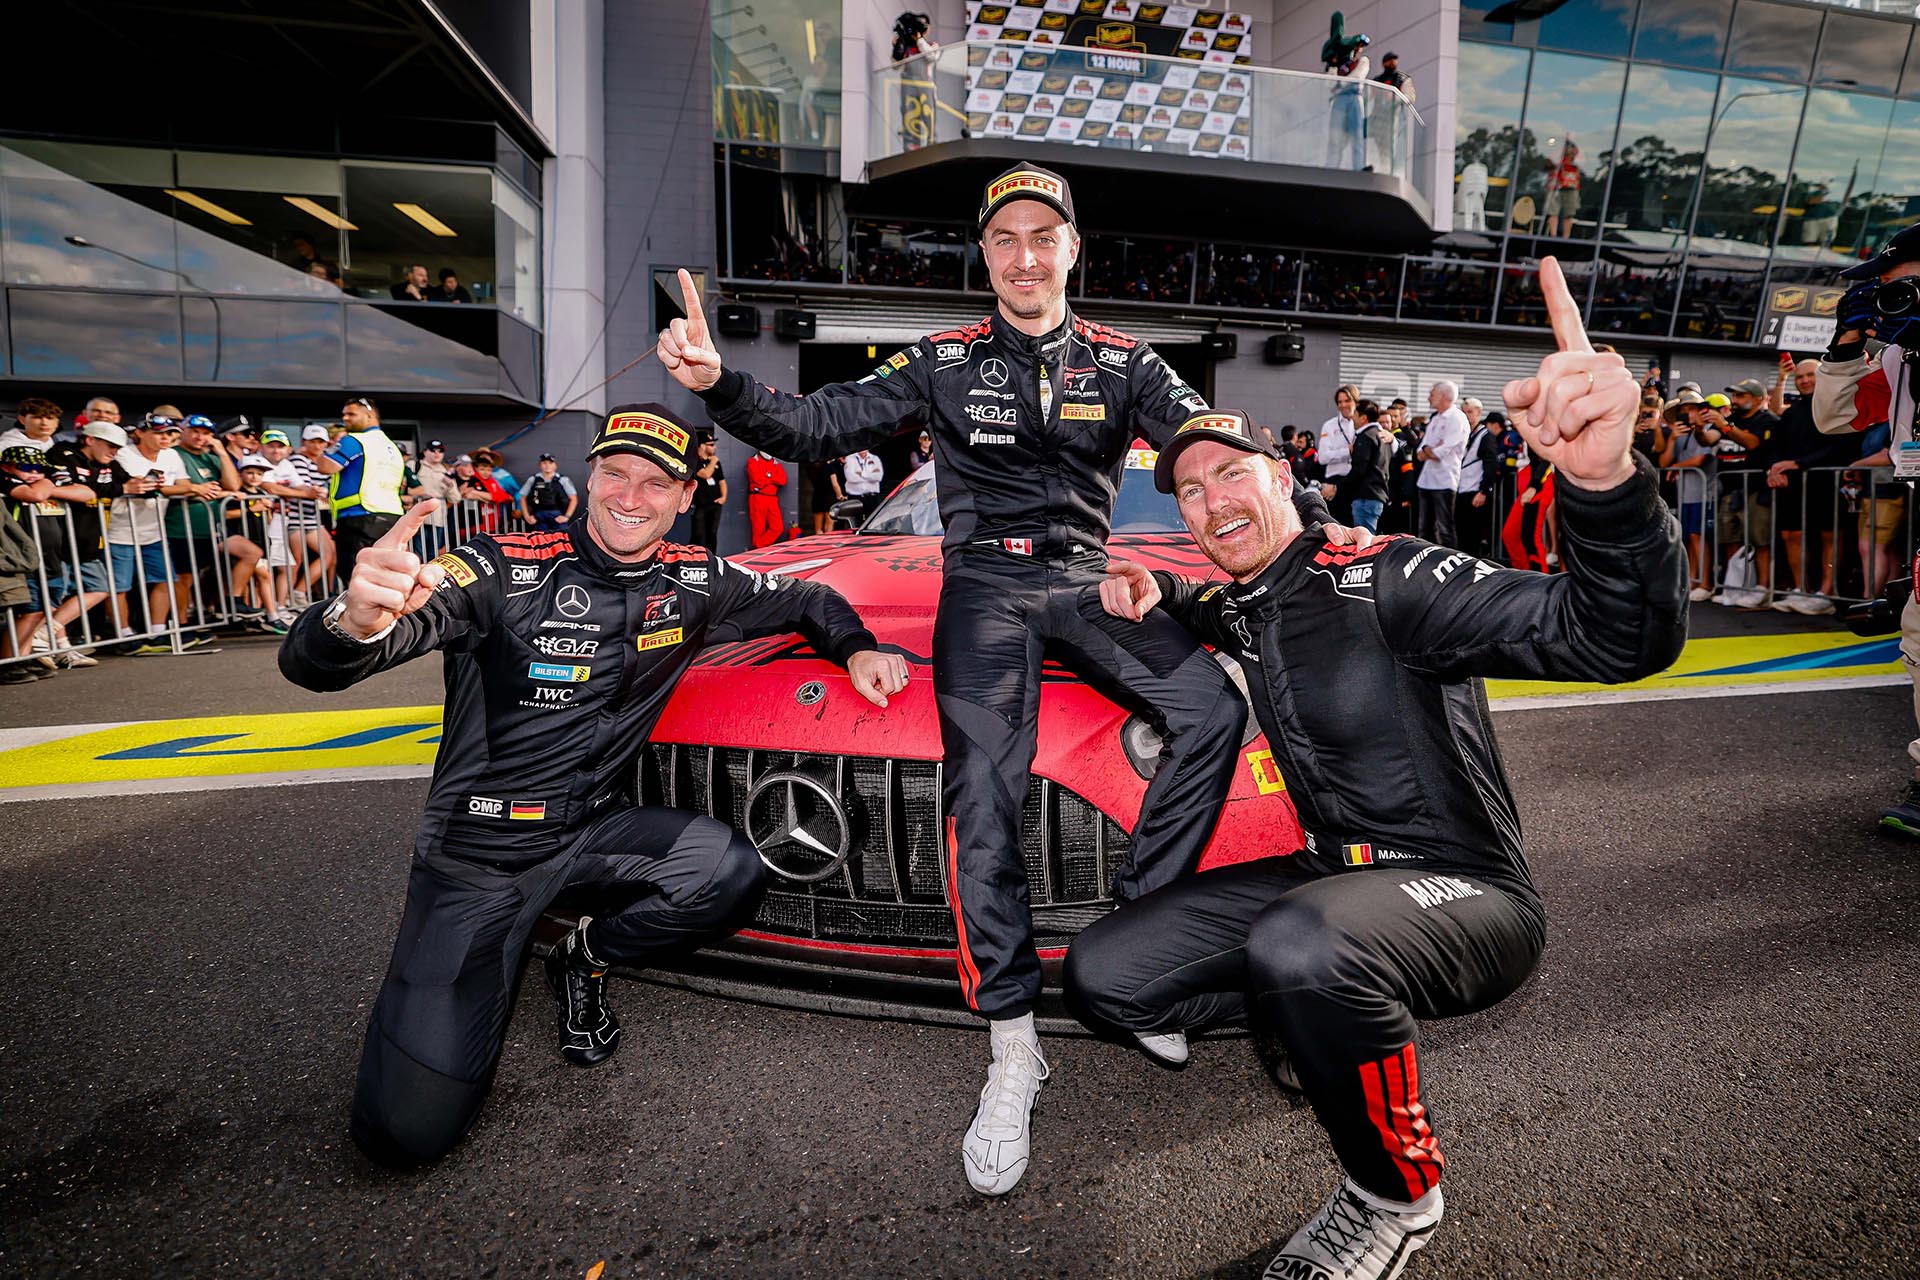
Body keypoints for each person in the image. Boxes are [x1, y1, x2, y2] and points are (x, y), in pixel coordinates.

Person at [655, 163, 1346, 1198]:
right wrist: (719, 384)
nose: (1026, 257)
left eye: (1043, 237)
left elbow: (1211, 448)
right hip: (980, 587)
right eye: (1006, 239)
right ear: (984, 255)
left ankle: (1137, 939)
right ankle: (1013, 1043)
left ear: (1073, 249)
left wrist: (1315, 526)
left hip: (1085, 578)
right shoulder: (942, 359)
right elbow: (815, 424)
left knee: (1210, 707)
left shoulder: (1125, 361)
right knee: (981, 793)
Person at [1073, 257, 1686, 1280]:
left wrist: (1602, 485)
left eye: (1232, 474)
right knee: (1106, 976)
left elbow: (1615, 636)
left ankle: (1395, 1195)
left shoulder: (1385, 570)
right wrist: (1151, 591)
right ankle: (1320, 1021)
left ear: (1283, 477)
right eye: (1189, 490)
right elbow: (1210, 606)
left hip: (1469, 893)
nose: (1212, 500)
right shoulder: (1245, 599)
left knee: (1305, 945)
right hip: (1330, 874)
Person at [280, 401, 909, 1169]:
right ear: (591, 476)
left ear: (685, 496)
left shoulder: (696, 578)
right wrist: (351, 621)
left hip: (591, 833)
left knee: (730, 874)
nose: (630, 497)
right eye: (616, 473)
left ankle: (583, 956)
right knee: (401, 1138)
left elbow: (810, 599)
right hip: (479, 860)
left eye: (656, 483)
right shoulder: (501, 565)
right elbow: (321, 665)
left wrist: (856, 648)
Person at [1809, 223, 1920, 834]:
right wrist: (1846, 343)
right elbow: (1835, 417)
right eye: (1883, 289)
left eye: (1905, 285)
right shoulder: (1899, 356)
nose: (1891, 298)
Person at [316, 396, 406, 580]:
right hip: (392, 516)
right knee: (384, 575)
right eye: (344, 414)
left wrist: (323, 451)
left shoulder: (355, 440)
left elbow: (326, 466)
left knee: (356, 575)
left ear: (369, 416)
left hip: (360, 516)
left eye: (352, 414)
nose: (345, 418)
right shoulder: (391, 446)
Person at [1416, 380, 1468, 546]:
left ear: (1443, 396)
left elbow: (1440, 452)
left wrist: (1430, 450)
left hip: (1445, 480)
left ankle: (1449, 560)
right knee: (1424, 529)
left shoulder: (1457, 418)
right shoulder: (1436, 418)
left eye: (1432, 394)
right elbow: (1421, 451)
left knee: (1445, 528)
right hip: (1426, 480)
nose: (1429, 397)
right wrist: (1429, 449)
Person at [1328, 398, 1392, 533]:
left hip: (1366, 497)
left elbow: (1359, 469)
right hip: (1376, 495)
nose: (1352, 417)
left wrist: (1337, 487)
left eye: (1355, 414)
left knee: (1364, 539)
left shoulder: (1366, 437)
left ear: (1363, 418)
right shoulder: (1381, 436)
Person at [518, 453, 578, 532]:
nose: (547, 466)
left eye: (550, 463)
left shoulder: (563, 480)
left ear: (555, 465)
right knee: (539, 538)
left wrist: (567, 516)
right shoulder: (533, 479)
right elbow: (522, 497)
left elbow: (573, 499)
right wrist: (527, 516)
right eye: (544, 463)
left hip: (558, 516)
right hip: (539, 517)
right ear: (540, 465)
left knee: (560, 537)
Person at [689, 434, 726, 550]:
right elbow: (705, 474)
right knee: (698, 534)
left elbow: (722, 481)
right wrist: (713, 461)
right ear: (702, 446)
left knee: (712, 534)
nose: (714, 447)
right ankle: (693, 556)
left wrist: (723, 497)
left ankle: (711, 557)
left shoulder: (715, 462)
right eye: (711, 445)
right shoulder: (695, 460)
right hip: (700, 504)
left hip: (715, 503)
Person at [746, 449, 788, 548]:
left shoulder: (775, 462)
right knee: (758, 529)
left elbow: (782, 480)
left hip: (772, 498)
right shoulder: (753, 461)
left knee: (778, 527)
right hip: (758, 497)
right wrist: (772, 478)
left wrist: (767, 476)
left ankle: (758, 547)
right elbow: (758, 480)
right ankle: (758, 550)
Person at [841, 448, 884, 524]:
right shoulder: (850, 458)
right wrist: (870, 476)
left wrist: (862, 474)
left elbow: (878, 477)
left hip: (872, 497)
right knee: (856, 522)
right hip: (856, 497)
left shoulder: (875, 458)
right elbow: (851, 478)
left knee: (873, 522)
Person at [806, 457, 843, 534]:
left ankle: (818, 540)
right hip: (830, 498)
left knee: (818, 527)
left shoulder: (812, 468)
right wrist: (840, 495)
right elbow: (835, 484)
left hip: (817, 497)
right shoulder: (830, 468)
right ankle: (827, 539)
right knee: (829, 525)